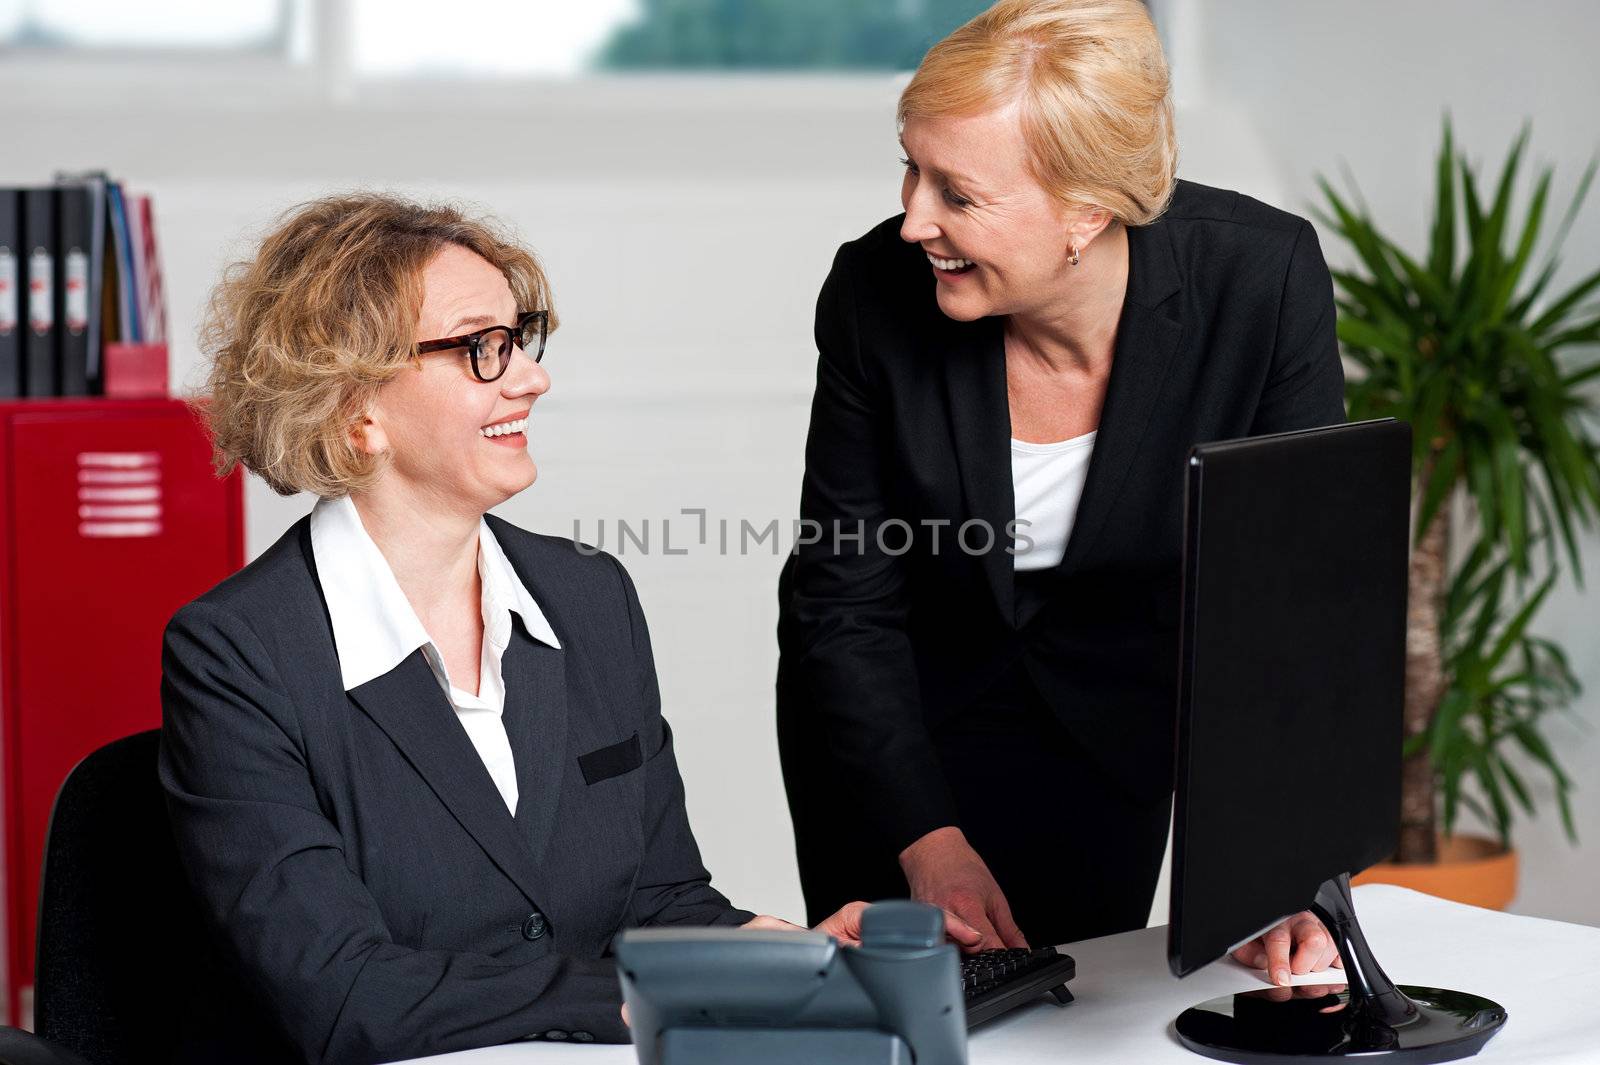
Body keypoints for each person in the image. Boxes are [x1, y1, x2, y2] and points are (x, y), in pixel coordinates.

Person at [160, 194, 955, 1065]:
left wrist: (784, 949)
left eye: (520, 338)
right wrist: (658, 989)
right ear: (357, 406)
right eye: (480, 349)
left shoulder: (587, 595)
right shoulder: (239, 653)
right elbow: (344, 992)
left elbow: (660, 903)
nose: (531, 377)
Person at [777, 0, 1345, 988]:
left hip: (1108, 731)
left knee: (1072, 1016)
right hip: (888, 734)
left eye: (957, 192)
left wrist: (1286, 872)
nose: (914, 218)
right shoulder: (873, 290)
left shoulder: (1259, 280)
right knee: (903, 1021)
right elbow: (843, 597)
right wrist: (924, 837)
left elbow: (1291, 606)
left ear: (1088, 210)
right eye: (910, 169)